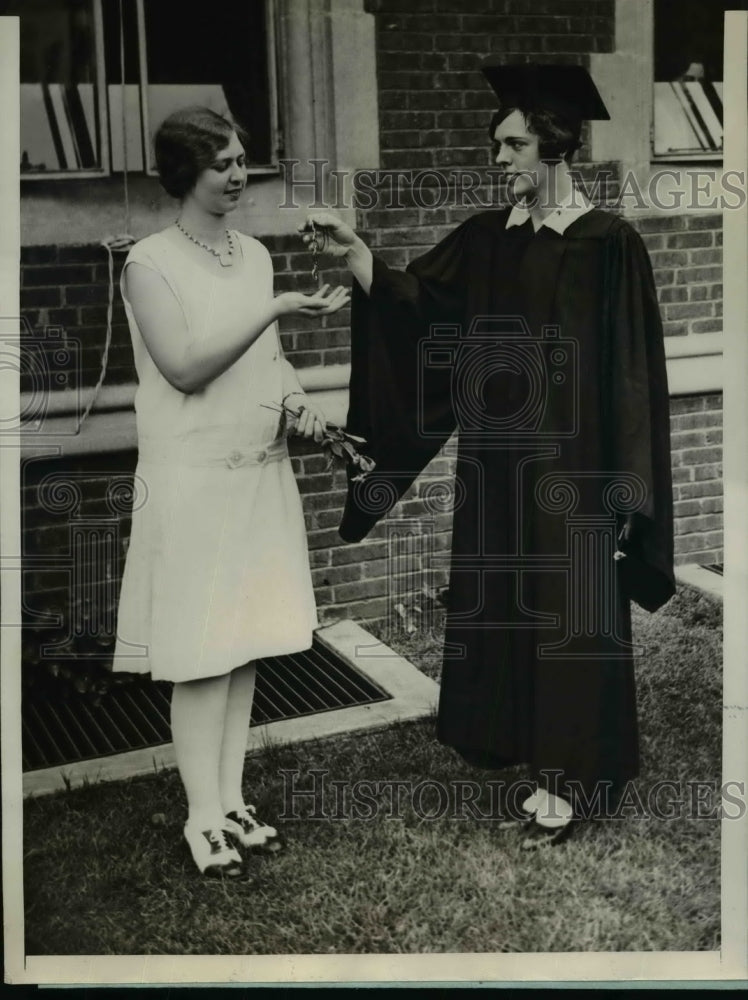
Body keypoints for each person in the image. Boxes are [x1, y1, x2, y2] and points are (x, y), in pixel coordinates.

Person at [300, 64, 675, 848]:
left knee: (571, 612)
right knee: (510, 603)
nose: (499, 160)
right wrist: (357, 251)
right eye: (496, 146)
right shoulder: (488, 238)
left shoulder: (612, 245)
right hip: (499, 470)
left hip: (576, 472)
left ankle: (570, 779)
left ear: (555, 147)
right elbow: (416, 310)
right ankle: (528, 753)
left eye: (513, 145)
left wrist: (623, 493)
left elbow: (633, 378)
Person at [112, 107, 350, 878]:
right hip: (192, 479)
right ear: (186, 175)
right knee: (201, 651)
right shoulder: (148, 264)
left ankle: (233, 799)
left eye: (244, 159)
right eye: (223, 164)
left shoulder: (252, 255)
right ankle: (200, 817)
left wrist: (299, 403)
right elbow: (183, 367)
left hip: (254, 471)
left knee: (243, 644)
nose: (240, 174)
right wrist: (272, 308)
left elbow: (266, 362)